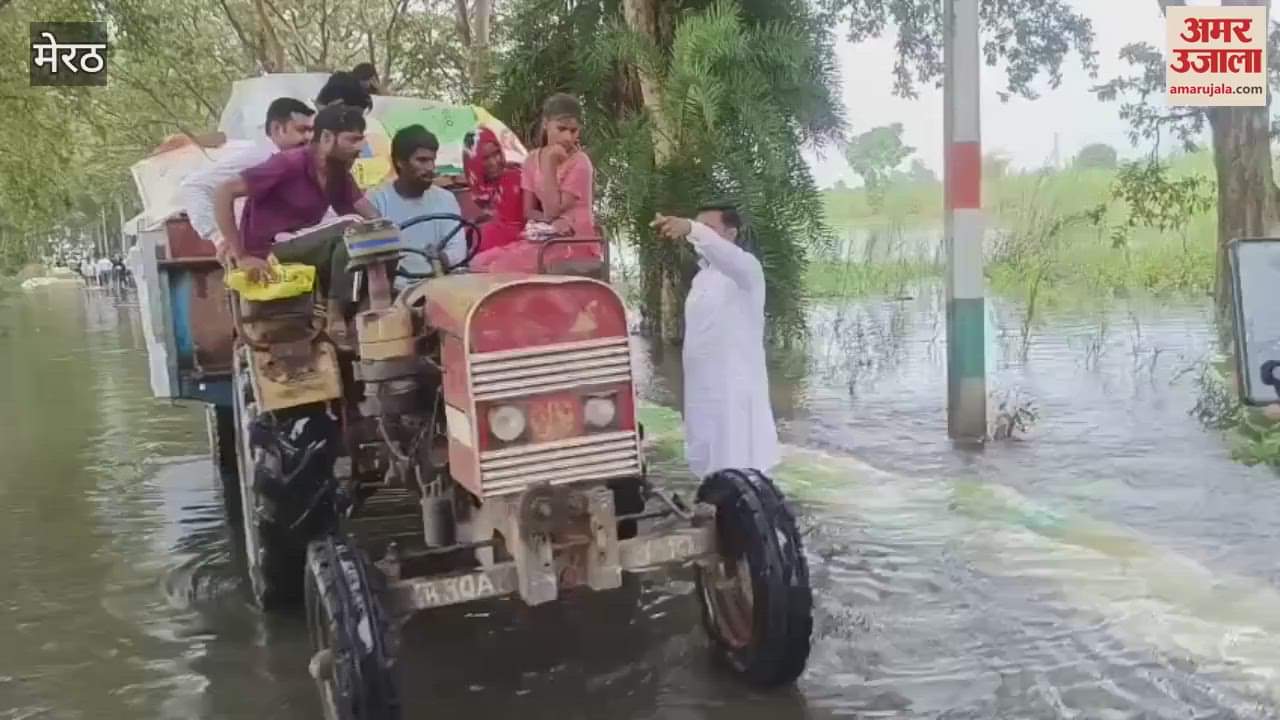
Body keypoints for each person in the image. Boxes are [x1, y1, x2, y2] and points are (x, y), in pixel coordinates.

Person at [213, 104, 381, 341]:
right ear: (326, 138)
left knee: (380, 238)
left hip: (302, 245)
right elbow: (223, 192)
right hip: (270, 251)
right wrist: (241, 254)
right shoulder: (289, 163)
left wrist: (386, 231)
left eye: (360, 140)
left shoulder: (338, 174)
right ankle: (335, 315)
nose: (359, 147)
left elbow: (369, 214)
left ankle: (366, 314)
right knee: (350, 230)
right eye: (352, 140)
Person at [650, 205, 779, 478]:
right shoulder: (702, 279)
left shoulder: (746, 272)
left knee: (739, 462)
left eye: (709, 228)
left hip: (734, 390)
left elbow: (724, 255)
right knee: (706, 460)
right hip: (702, 389)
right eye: (699, 227)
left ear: (731, 234)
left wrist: (691, 229)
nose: (700, 236)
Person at [472, 94, 599, 273]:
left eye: (573, 131)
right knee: (479, 262)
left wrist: (549, 163)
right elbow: (529, 211)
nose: (568, 137)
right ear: (546, 124)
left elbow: (552, 209)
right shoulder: (531, 160)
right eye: (561, 129)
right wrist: (548, 224)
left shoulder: (580, 162)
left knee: (498, 268)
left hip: (574, 242)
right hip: (549, 237)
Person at [180, 97, 315, 259]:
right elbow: (194, 186)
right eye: (301, 130)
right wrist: (220, 238)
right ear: (278, 128)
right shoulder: (259, 156)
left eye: (311, 131)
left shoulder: (299, 161)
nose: (308, 138)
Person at [366, 125, 466, 281]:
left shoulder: (446, 199)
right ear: (400, 162)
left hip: (439, 284)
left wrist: (439, 260)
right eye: (422, 160)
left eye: (432, 160)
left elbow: (457, 249)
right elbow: (374, 258)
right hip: (394, 289)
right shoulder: (376, 200)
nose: (430, 168)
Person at [465, 127, 524, 255]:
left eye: (497, 153)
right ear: (472, 161)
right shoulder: (468, 195)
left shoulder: (514, 179)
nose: (494, 161)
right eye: (485, 158)